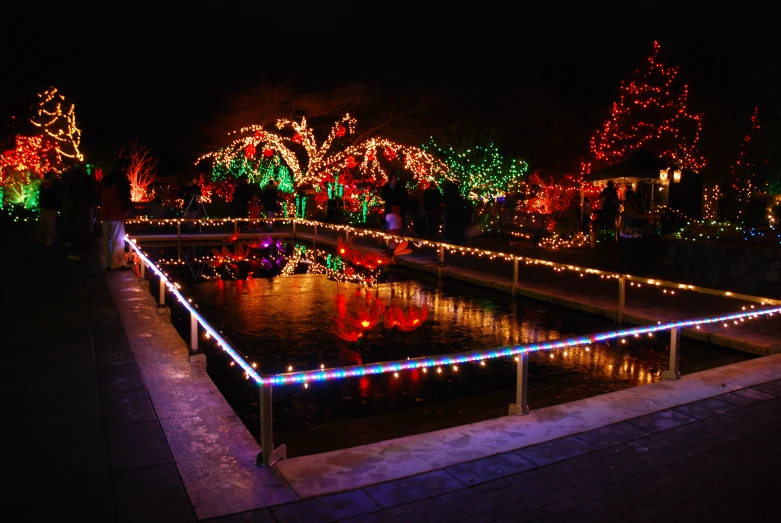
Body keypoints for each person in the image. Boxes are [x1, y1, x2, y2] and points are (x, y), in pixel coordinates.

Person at [99, 158, 132, 270]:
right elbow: (124, 196)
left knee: (107, 238)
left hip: (105, 211)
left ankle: (108, 263)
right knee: (117, 239)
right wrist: (127, 209)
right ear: (123, 167)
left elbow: (99, 194)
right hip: (116, 211)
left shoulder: (105, 178)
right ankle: (118, 263)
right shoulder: (122, 179)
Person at [62, 166, 94, 260]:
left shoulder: (70, 179)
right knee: (79, 228)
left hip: (74, 207)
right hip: (81, 206)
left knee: (73, 227)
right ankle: (77, 249)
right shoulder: (82, 180)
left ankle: (74, 249)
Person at [38, 171, 61, 246]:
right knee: (50, 224)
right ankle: (48, 239)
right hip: (50, 207)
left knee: (47, 223)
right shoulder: (55, 185)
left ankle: (46, 239)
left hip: (47, 206)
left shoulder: (44, 185)